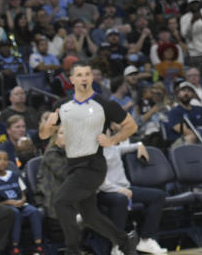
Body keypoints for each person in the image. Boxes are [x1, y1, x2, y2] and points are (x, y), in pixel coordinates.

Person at [38, 61, 139, 255]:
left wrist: (112, 140)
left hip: (93, 165)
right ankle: (125, 242)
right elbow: (43, 136)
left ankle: (73, 250)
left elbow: (131, 125)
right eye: (80, 75)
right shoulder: (62, 105)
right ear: (72, 79)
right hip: (74, 165)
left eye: (87, 74)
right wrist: (48, 125)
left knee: (61, 201)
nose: (84, 78)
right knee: (89, 215)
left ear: (91, 78)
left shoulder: (104, 104)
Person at [97, 125, 167, 255]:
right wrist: (119, 190)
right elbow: (98, 181)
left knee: (158, 196)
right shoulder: (92, 153)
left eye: (105, 131)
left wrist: (140, 145)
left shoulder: (113, 148)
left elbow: (130, 146)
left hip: (125, 189)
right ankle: (117, 245)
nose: (104, 134)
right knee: (121, 199)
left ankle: (145, 240)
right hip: (105, 192)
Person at [0, 148, 44, 255]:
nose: (2, 162)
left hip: (20, 204)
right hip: (4, 207)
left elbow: (23, 194)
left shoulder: (14, 175)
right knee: (15, 213)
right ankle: (15, 246)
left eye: (5, 159)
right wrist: (8, 202)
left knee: (34, 211)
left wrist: (22, 201)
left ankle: (38, 245)